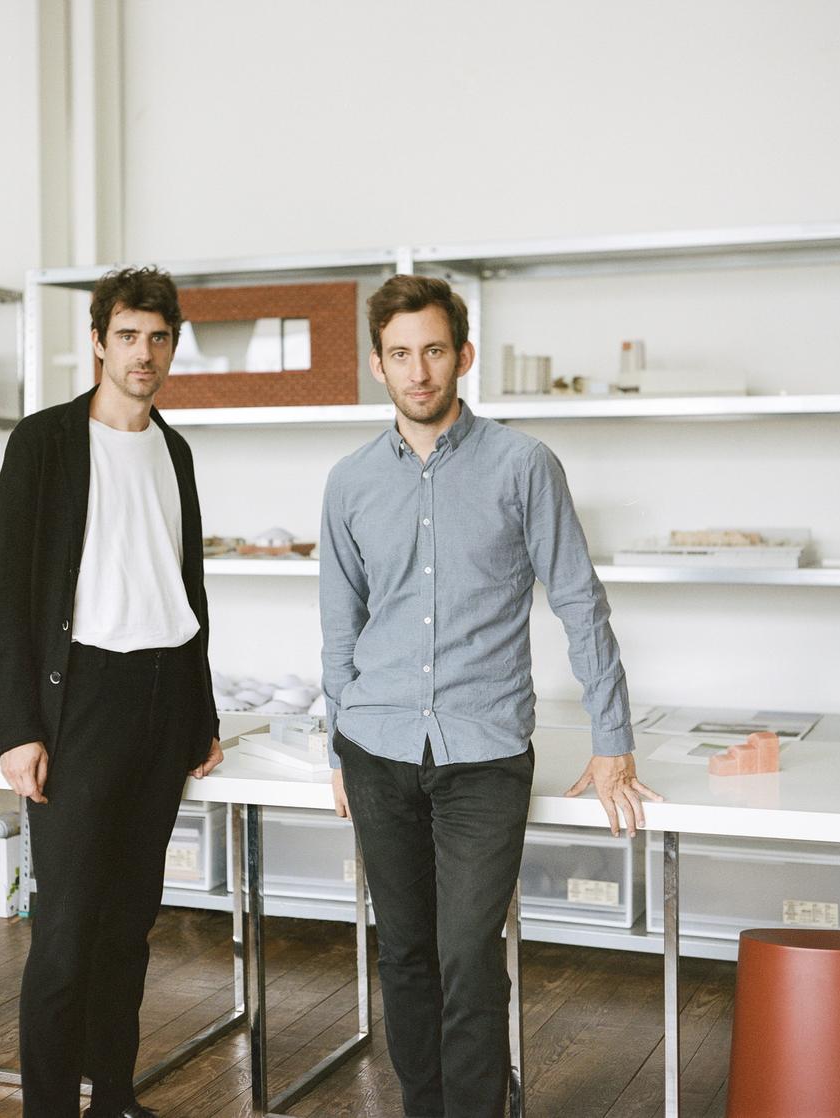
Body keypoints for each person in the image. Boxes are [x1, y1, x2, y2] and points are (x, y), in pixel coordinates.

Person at [320, 273, 662, 1117]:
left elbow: (580, 602)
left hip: (484, 755)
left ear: (462, 355)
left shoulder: (524, 465)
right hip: (378, 747)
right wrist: (339, 741)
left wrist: (612, 740)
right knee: (402, 952)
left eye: (434, 350)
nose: (419, 370)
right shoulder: (350, 482)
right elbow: (340, 627)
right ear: (378, 366)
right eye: (400, 355)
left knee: (469, 954)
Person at [0, 267, 223, 1118]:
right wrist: (17, 727)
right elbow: (3, 594)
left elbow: (185, 589)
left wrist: (203, 713)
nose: (144, 353)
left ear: (173, 344)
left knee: (129, 926)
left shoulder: (175, 447)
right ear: (98, 342)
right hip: (79, 700)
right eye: (128, 335)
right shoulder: (44, 443)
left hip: (163, 698)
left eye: (159, 337)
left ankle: (114, 1099)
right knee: (66, 932)